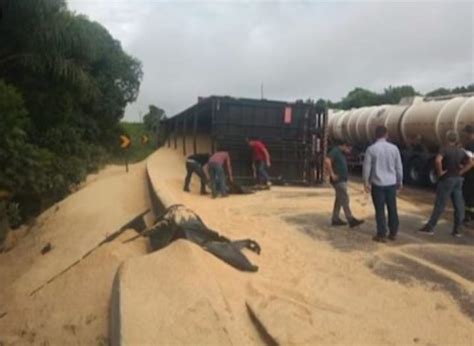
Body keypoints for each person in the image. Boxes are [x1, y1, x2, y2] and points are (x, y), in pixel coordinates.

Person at [418, 130, 473, 237]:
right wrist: (461, 172)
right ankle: (457, 230)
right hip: (458, 180)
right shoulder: (461, 151)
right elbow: (471, 162)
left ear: (447, 139)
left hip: (447, 179)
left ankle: (430, 227)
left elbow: (438, 160)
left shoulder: (444, 149)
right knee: (459, 205)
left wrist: (440, 172)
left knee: (440, 204)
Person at [363, 126, 403, 242]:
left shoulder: (371, 149)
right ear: (386, 134)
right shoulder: (394, 149)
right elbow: (398, 167)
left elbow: (367, 168)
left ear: (375, 135)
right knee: (392, 208)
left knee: (380, 210)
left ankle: (381, 234)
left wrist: (366, 182)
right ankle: (393, 233)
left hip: (377, 184)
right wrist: (400, 181)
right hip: (391, 183)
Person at [325, 140, 364, 228]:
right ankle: (350, 219)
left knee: (339, 199)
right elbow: (327, 160)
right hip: (338, 180)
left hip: (341, 179)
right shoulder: (335, 151)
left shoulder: (341, 153)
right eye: (349, 149)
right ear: (345, 145)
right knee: (344, 198)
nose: (349, 151)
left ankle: (335, 219)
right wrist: (332, 174)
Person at [462, 125, 474, 224]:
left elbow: (470, 162)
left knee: (468, 196)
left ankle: (467, 217)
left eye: (465, 132)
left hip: (470, 176)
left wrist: (460, 172)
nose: (464, 134)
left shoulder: (470, 145)